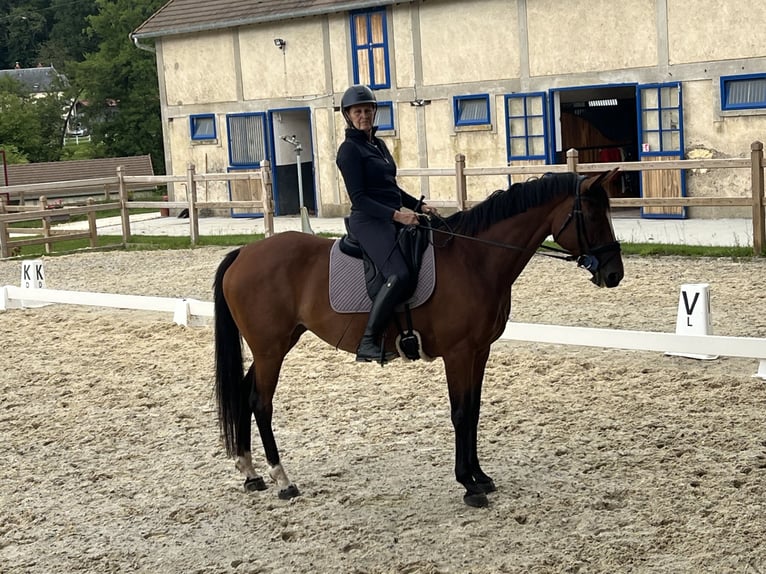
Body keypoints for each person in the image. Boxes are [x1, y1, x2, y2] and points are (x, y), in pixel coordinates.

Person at [336, 84, 438, 363]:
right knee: (399, 275)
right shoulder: (348, 151)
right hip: (368, 220)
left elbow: (390, 188)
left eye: (367, 110)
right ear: (348, 115)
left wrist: (418, 206)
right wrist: (398, 215)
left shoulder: (378, 145)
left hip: (389, 214)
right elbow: (360, 198)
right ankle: (368, 340)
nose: (364, 116)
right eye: (358, 111)